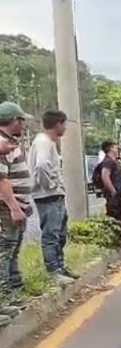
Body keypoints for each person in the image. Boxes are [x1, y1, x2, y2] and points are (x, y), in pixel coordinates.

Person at [28, 110, 77, 285]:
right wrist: (50, 186)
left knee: (60, 234)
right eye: (64, 124)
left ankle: (60, 267)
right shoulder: (43, 142)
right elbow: (41, 166)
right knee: (51, 235)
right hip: (48, 196)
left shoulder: (47, 142)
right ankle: (54, 272)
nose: (65, 128)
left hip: (54, 196)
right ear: (58, 124)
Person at [0, 102, 33, 325]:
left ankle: (10, 296)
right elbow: (1, 180)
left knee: (11, 253)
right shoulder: (2, 145)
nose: (24, 125)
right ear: (14, 120)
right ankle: (3, 299)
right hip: (8, 209)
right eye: (22, 120)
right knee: (4, 253)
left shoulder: (8, 143)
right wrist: (14, 207)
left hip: (17, 207)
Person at [100, 141, 121, 232]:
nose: (118, 149)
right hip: (115, 196)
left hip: (120, 195)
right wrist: (113, 191)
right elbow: (105, 176)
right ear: (111, 148)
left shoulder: (115, 161)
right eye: (116, 147)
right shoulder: (108, 162)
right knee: (116, 218)